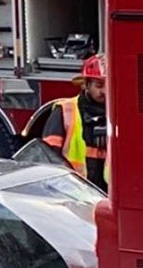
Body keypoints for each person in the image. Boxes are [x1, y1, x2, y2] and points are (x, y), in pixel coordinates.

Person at [43, 53, 108, 193]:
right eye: (99, 85)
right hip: (74, 191)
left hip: (109, 193)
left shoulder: (121, 112)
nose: (105, 91)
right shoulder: (65, 110)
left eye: (110, 85)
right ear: (86, 84)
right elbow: (48, 156)